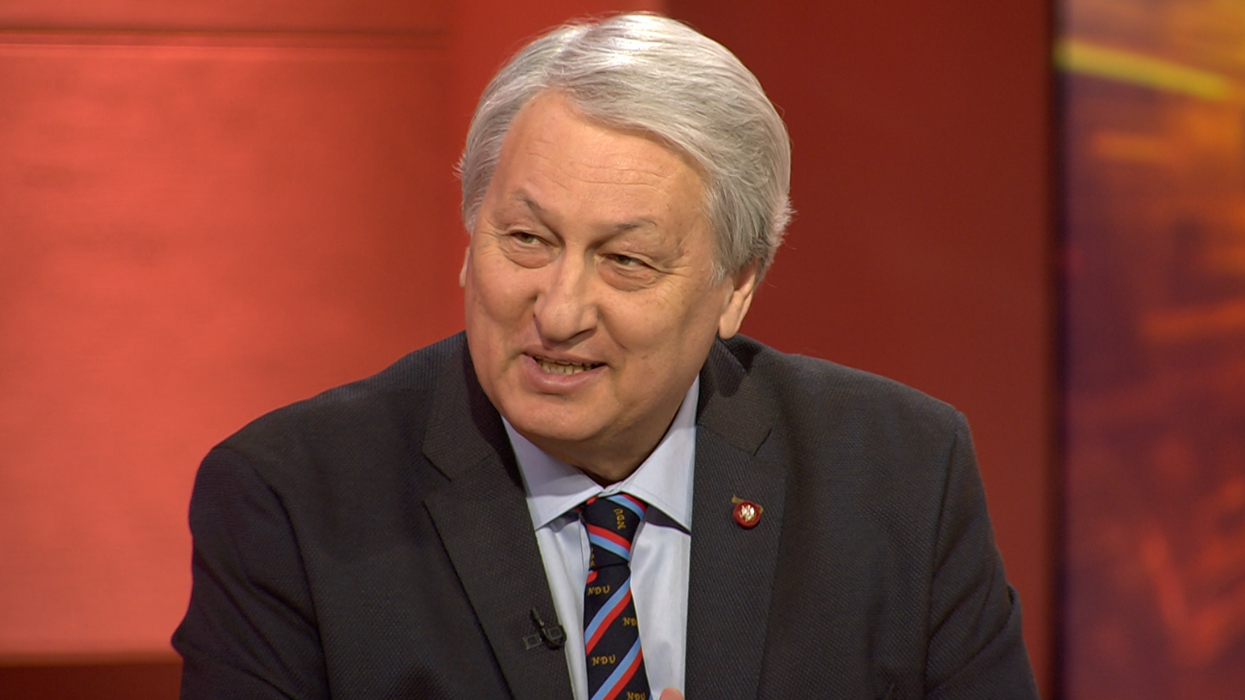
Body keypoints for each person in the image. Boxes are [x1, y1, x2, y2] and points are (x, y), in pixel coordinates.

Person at [173, 12, 1040, 700]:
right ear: (471, 237)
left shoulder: (897, 475)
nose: (558, 311)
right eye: (526, 239)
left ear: (736, 287)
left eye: (625, 260)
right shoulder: (292, 499)